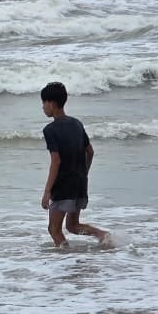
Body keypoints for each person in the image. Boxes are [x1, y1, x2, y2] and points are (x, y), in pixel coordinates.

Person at [39, 82, 110, 249]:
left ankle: (65, 258)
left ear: (52, 103)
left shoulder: (50, 129)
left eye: (44, 103)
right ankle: (102, 235)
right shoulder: (77, 123)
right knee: (73, 225)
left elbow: (56, 161)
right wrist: (83, 174)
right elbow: (90, 152)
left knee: (54, 229)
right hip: (79, 182)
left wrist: (47, 191)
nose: (43, 107)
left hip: (63, 185)